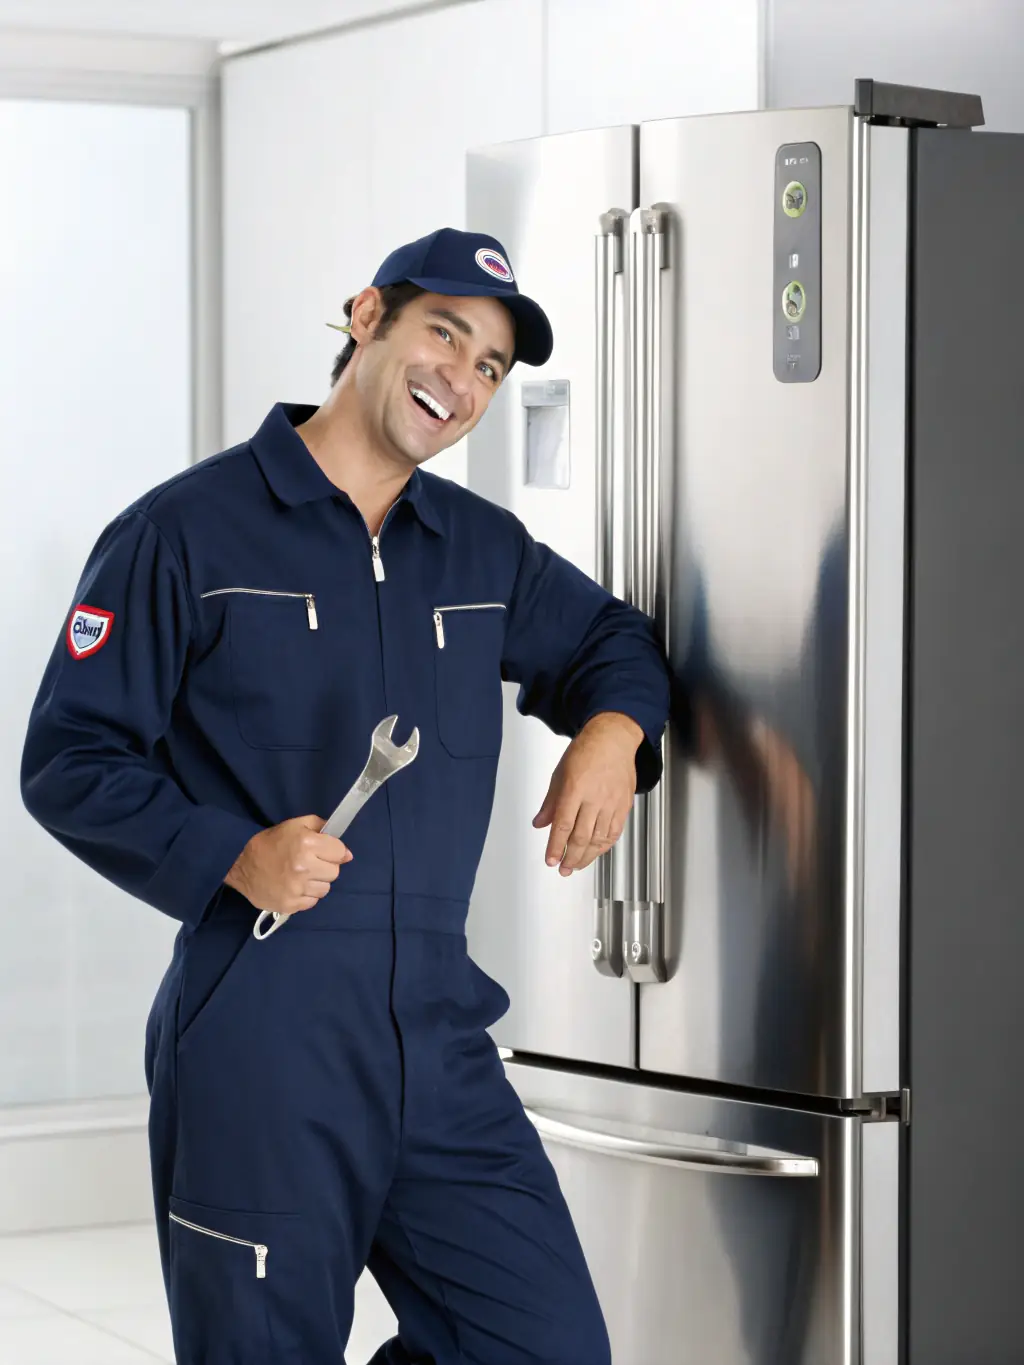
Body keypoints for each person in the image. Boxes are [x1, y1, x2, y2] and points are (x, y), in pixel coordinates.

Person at [20, 227, 670, 1365]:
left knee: (546, 1346)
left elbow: (615, 639)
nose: (460, 380)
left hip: (439, 1036)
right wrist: (232, 853)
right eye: (444, 334)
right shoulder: (184, 532)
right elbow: (70, 759)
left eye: (489, 368)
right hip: (261, 1037)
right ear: (366, 317)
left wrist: (611, 734)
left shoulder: (479, 550)